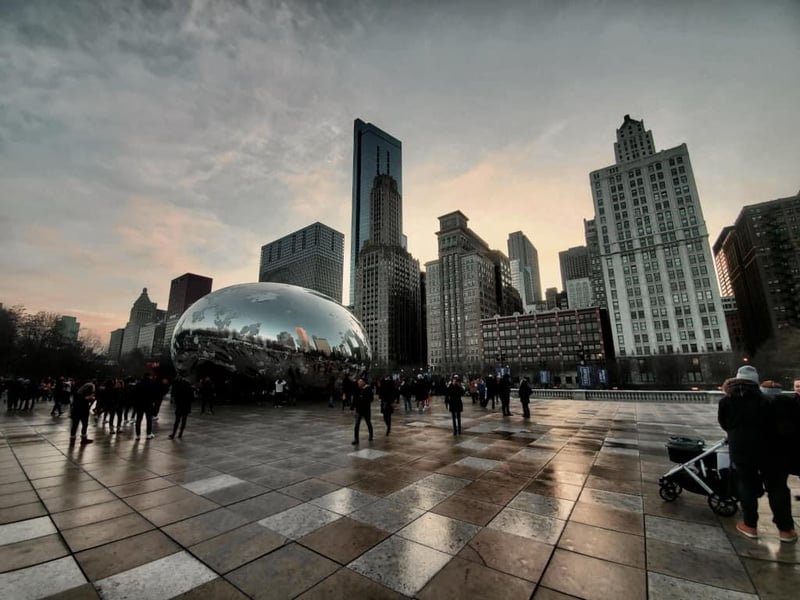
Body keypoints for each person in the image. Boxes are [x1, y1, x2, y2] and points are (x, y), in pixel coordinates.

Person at [718, 365, 796, 543]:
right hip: (773, 452)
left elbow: (725, 424)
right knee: (777, 488)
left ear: (737, 379)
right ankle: (786, 530)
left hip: (743, 450)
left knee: (746, 486)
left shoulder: (726, 401)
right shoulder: (769, 400)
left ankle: (750, 525)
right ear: (756, 382)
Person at [70, 381, 95, 445]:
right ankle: (83, 439)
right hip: (82, 411)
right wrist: (88, 398)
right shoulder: (80, 394)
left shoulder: (78, 393)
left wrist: (90, 399)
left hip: (77, 411)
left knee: (76, 425)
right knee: (83, 424)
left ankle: (73, 439)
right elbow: (81, 401)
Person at [352, 376, 374, 445]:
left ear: (364, 382)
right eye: (359, 382)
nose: (359, 383)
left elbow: (371, 399)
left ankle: (371, 435)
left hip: (366, 409)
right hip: (358, 410)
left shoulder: (368, 389)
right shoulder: (357, 389)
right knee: (356, 425)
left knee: (368, 423)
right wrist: (353, 407)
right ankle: (356, 439)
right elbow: (355, 398)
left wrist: (362, 398)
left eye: (361, 382)